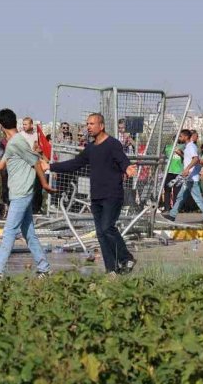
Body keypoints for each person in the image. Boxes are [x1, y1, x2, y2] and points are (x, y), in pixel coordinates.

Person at [48, 113, 138, 275]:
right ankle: (111, 269)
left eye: (92, 124)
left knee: (107, 227)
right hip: (96, 196)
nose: (88, 127)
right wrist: (51, 166)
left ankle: (126, 257)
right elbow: (75, 164)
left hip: (112, 194)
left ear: (101, 126)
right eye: (87, 124)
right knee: (101, 233)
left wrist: (128, 168)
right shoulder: (90, 148)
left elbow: (122, 160)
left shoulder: (112, 144)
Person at [0, 109, 55, 280]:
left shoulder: (16, 142)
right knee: (28, 233)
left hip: (21, 193)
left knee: (9, 231)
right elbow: (3, 164)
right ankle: (44, 268)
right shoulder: (13, 142)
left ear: (1, 125)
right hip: (19, 193)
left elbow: (36, 163)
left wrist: (44, 184)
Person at [160, 130, 203, 224]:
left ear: (186, 137)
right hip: (188, 178)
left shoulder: (191, 146)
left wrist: (187, 169)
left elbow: (196, 159)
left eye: (180, 137)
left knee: (197, 198)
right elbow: (190, 159)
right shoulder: (188, 147)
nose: (179, 138)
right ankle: (172, 215)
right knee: (180, 197)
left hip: (192, 178)